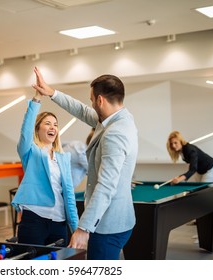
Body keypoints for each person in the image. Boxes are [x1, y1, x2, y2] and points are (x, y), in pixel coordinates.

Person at [33, 66, 138, 260]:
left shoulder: (115, 133)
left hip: (107, 225)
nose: (90, 103)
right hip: (120, 220)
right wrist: (51, 92)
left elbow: (106, 186)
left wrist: (83, 228)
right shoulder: (120, 119)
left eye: (92, 99)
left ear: (100, 100)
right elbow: (81, 110)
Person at [11, 91, 78, 247]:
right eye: (47, 123)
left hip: (59, 223)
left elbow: (68, 194)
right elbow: (25, 131)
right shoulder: (30, 152)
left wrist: (75, 229)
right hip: (34, 219)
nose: (52, 127)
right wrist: (37, 99)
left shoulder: (63, 157)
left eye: (55, 124)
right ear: (37, 128)